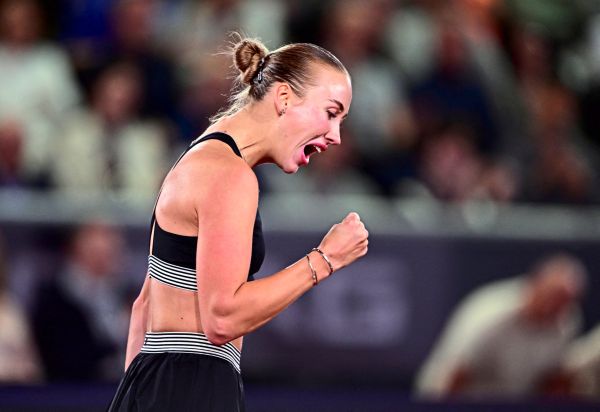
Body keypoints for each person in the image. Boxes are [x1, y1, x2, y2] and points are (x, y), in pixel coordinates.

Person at [107, 37, 368, 411]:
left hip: (161, 383)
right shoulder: (228, 174)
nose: (336, 136)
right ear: (283, 97)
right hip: (193, 387)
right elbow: (222, 318)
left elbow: (144, 306)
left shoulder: (201, 157)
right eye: (330, 113)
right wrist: (326, 259)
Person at [415, 253, 586, 399]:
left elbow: (553, 380)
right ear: (535, 285)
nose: (556, 307)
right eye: (553, 297)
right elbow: (455, 376)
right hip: (458, 400)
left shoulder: (567, 321)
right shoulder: (491, 314)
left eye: (565, 301)